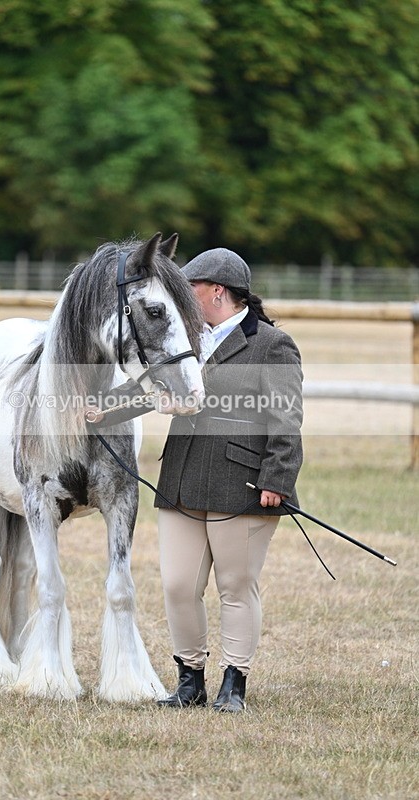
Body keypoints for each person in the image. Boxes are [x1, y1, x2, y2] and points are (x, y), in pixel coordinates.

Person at [154, 248, 303, 712]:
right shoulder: (183, 338)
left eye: (189, 287)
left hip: (241, 483)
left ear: (217, 290)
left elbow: (286, 418)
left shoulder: (271, 345)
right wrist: (102, 408)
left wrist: (276, 477)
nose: (181, 296)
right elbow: (148, 388)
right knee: (178, 584)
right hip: (180, 477)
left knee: (235, 587)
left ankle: (233, 684)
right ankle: (189, 680)